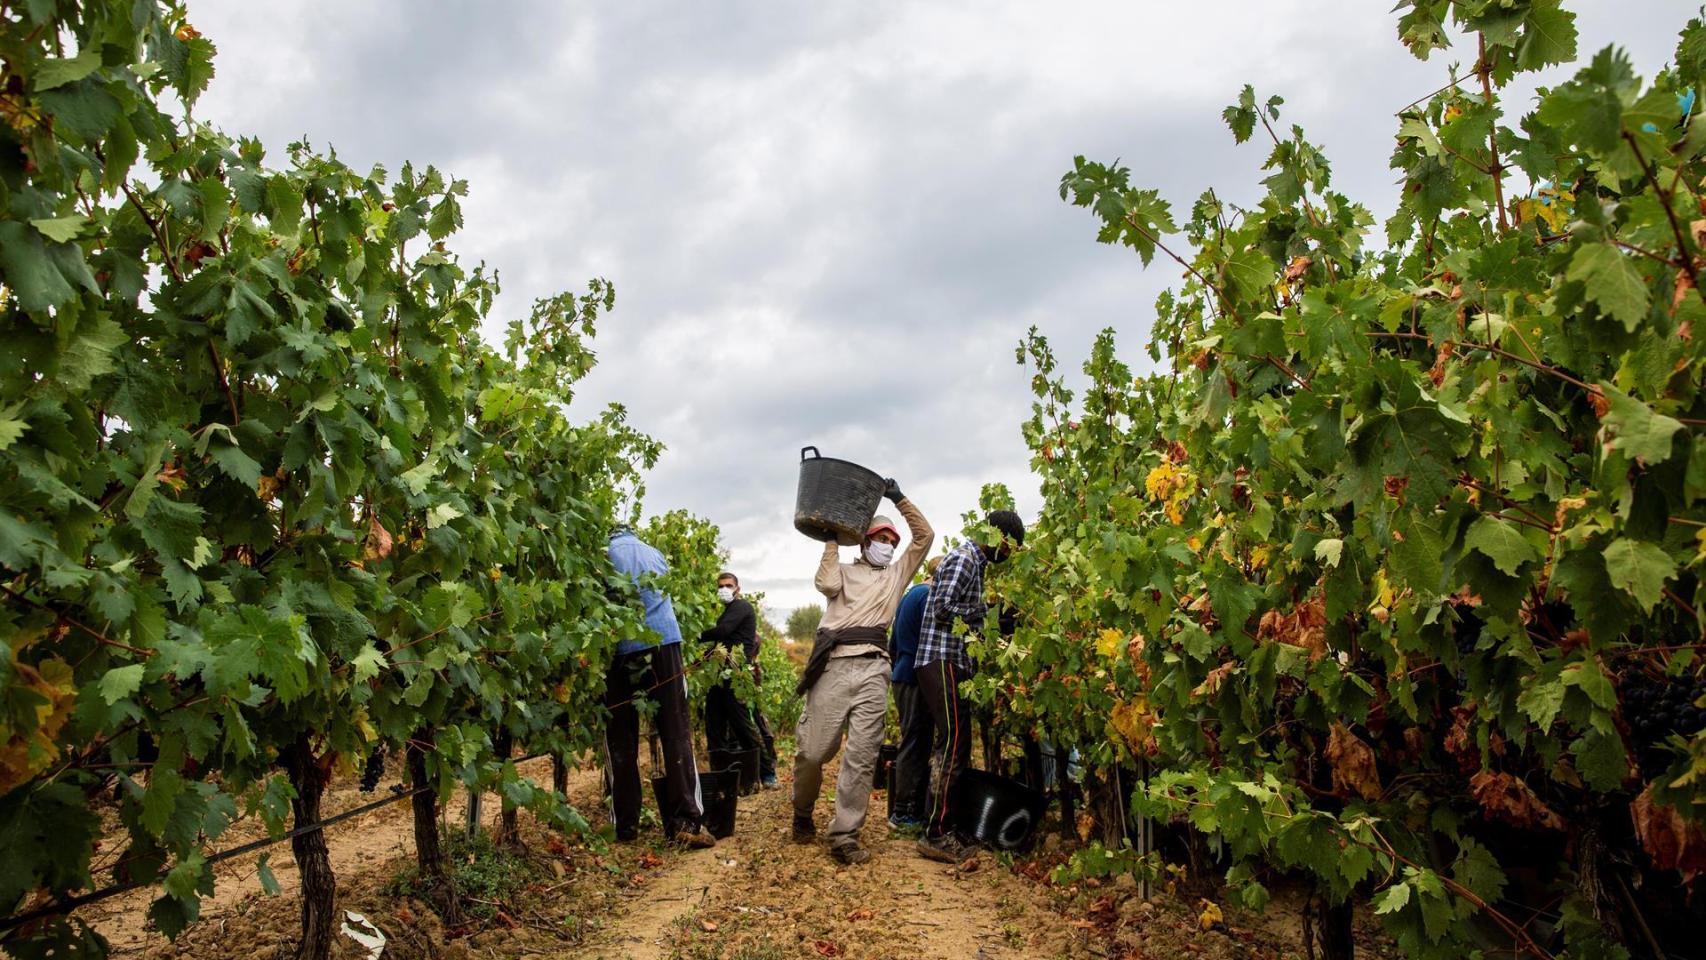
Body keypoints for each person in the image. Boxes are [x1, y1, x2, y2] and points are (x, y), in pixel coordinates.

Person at [794, 478, 933, 865]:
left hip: (875, 668)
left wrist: (899, 498)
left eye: (891, 540)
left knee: (862, 755)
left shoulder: (896, 576)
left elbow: (925, 537)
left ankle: (844, 835)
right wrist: (832, 540)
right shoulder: (843, 572)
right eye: (880, 538)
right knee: (813, 751)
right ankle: (801, 811)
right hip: (834, 665)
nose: (887, 545)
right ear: (865, 541)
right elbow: (825, 583)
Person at [915, 510, 1025, 864]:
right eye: (1009, 547)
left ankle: (943, 825)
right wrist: (987, 611)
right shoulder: (964, 560)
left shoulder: (976, 565)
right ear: (997, 536)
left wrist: (994, 623)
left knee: (953, 744)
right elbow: (943, 608)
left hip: (951, 661)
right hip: (942, 660)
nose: (1008, 555)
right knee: (955, 743)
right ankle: (935, 834)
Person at [604, 526, 716, 849]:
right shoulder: (655, 553)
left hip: (619, 647)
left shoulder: (603, 557)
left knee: (620, 738)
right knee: (676, 731)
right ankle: (688, 822)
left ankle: (625, 827)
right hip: (664, 643)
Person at [887, 555, 942, 828]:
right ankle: (903, 812)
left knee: (914, 739)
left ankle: (907, 809)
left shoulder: (910, 595)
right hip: (917, 677)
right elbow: (931, 645)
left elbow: (892, 645)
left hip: (902, 674)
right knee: (915, 743)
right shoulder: (927, 597)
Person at [699, 571, 765, 787]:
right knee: (713, 722)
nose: (724, 589)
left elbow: (724, 631)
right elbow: (724, 642)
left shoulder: (742, 607)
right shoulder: (728, 611)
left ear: (737, 588)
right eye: (720, 586)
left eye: (728, 585)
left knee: (741, 724)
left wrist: (696, 636)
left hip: (736, 673)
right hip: (720, 673)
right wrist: (702, 658)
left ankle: (763, 773)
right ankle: (722, 777)